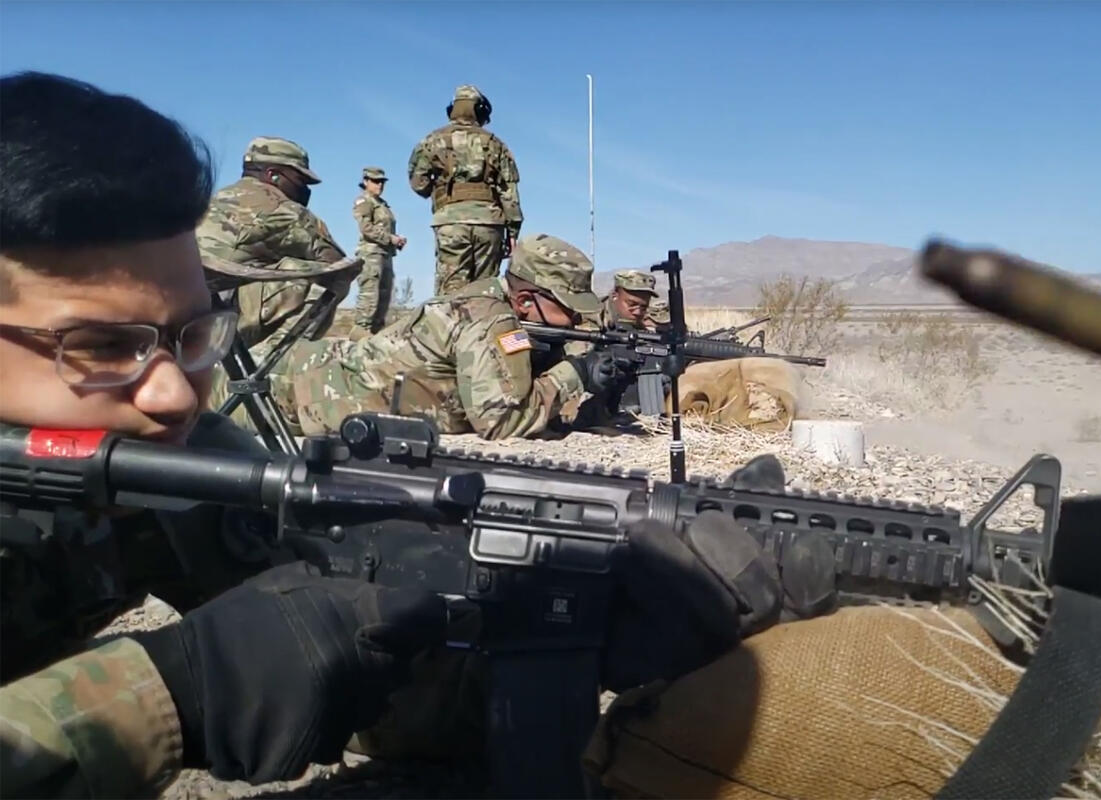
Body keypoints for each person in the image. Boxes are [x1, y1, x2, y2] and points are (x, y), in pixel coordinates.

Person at [0, 73, 829, 798]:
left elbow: (363, 684)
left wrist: (557, 641)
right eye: (103, 347)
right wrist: (165, 696)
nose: (173, 390)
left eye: (195, 336)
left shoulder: (183, 456)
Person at [280, 233, 634, 440]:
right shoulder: (489, 319)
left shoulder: (495, 302)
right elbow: (499, 422)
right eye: (568, 308)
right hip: (291, 395)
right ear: (525, 300)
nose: (575, 319)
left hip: (309, 376)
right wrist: (576, 373)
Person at [196, 135, 355, 359]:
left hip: (183, 317)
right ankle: (271, 362)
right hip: (219, 323)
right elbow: (338, 263)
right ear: (273, 175)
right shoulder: (282, 207)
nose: (304, 190)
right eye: (300, 180)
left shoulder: (212, 200)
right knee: (330, 279)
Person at [408, 85, 523, 295]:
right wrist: (513, 232)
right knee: (485, 292)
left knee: (450, 294)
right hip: (489, 224)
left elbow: (418, 183)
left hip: (451, 223)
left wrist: (441, 191)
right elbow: (509, 191)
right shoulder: (496, 144)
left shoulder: (432, 141)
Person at [350, 166, 407, 339]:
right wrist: (390, 238)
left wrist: (396, 240)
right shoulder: (364, 201)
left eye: (382, 182)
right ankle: (360, 332)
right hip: (371, 254)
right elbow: (366, 228)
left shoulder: (382, 204)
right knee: (370, 293)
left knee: (384, 295)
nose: (379, 185)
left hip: (385, 254)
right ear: (366, 182)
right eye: (375, 181)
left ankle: (374, 334)